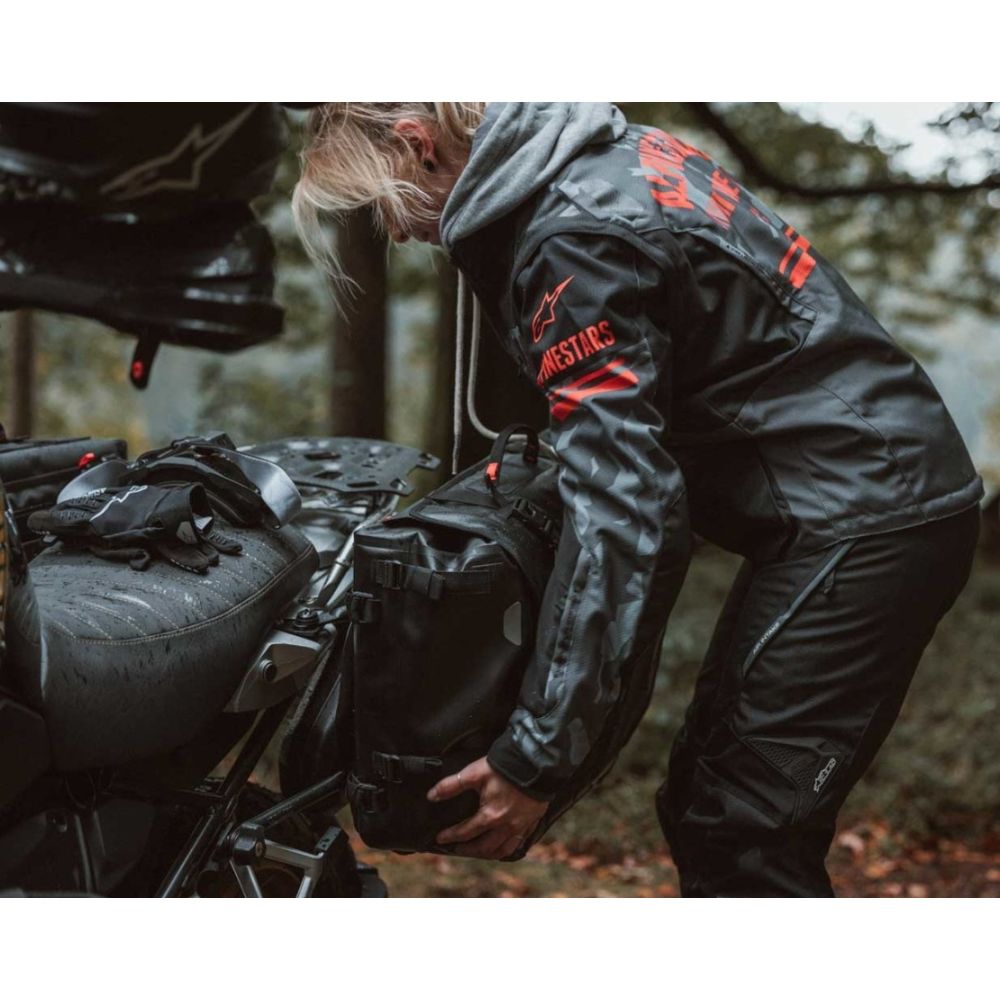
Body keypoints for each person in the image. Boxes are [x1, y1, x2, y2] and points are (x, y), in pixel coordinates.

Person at [292, 103, 983, 896]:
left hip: (869, 511)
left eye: (380, 202)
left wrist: (536, 756)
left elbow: (625, 511)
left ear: (418, 146)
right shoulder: (608, 156)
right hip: (862, 487)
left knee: (740, 825)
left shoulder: (574, 237)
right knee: (712, 809)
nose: (396, 229)